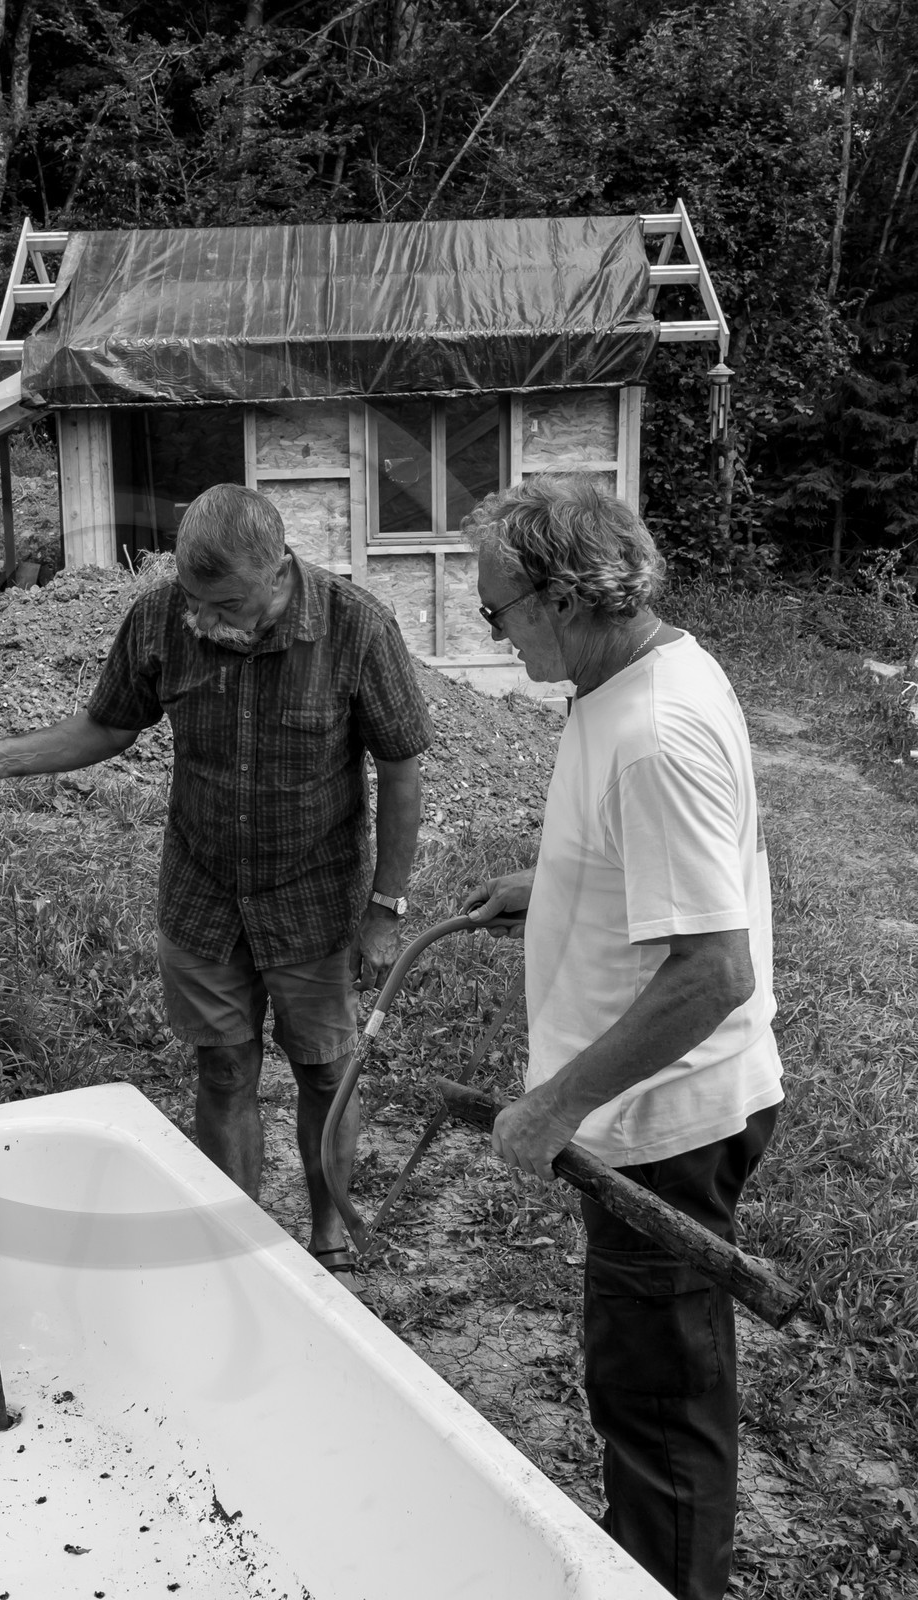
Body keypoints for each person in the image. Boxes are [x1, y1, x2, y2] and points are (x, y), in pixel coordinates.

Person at [0, 482, 432, 1281]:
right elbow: (108, 726)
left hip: (315, 898)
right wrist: (3, 758)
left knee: (325, 1069)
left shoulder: (357, 626)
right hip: (202, 894)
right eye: (195, 597)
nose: (204, 617)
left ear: (279, 573)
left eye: (224, 602)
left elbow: (400, 772)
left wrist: (385, 910)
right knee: (224, 1067)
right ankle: (239, 1250)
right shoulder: (162, 617)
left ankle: (330, 1236)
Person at [460, 475, 783, 1600]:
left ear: (563, 597)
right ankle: (646, 1551)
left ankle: (665, 1576)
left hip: (667, 1121)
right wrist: (551, 885)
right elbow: (653, 876)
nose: (487, 632)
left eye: (496, 610)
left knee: (659, 1403)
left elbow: (712, 970)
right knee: (637, 1373)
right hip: (644, 1115)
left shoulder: (654, 729)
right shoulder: (626, 681)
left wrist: (551, 1108)